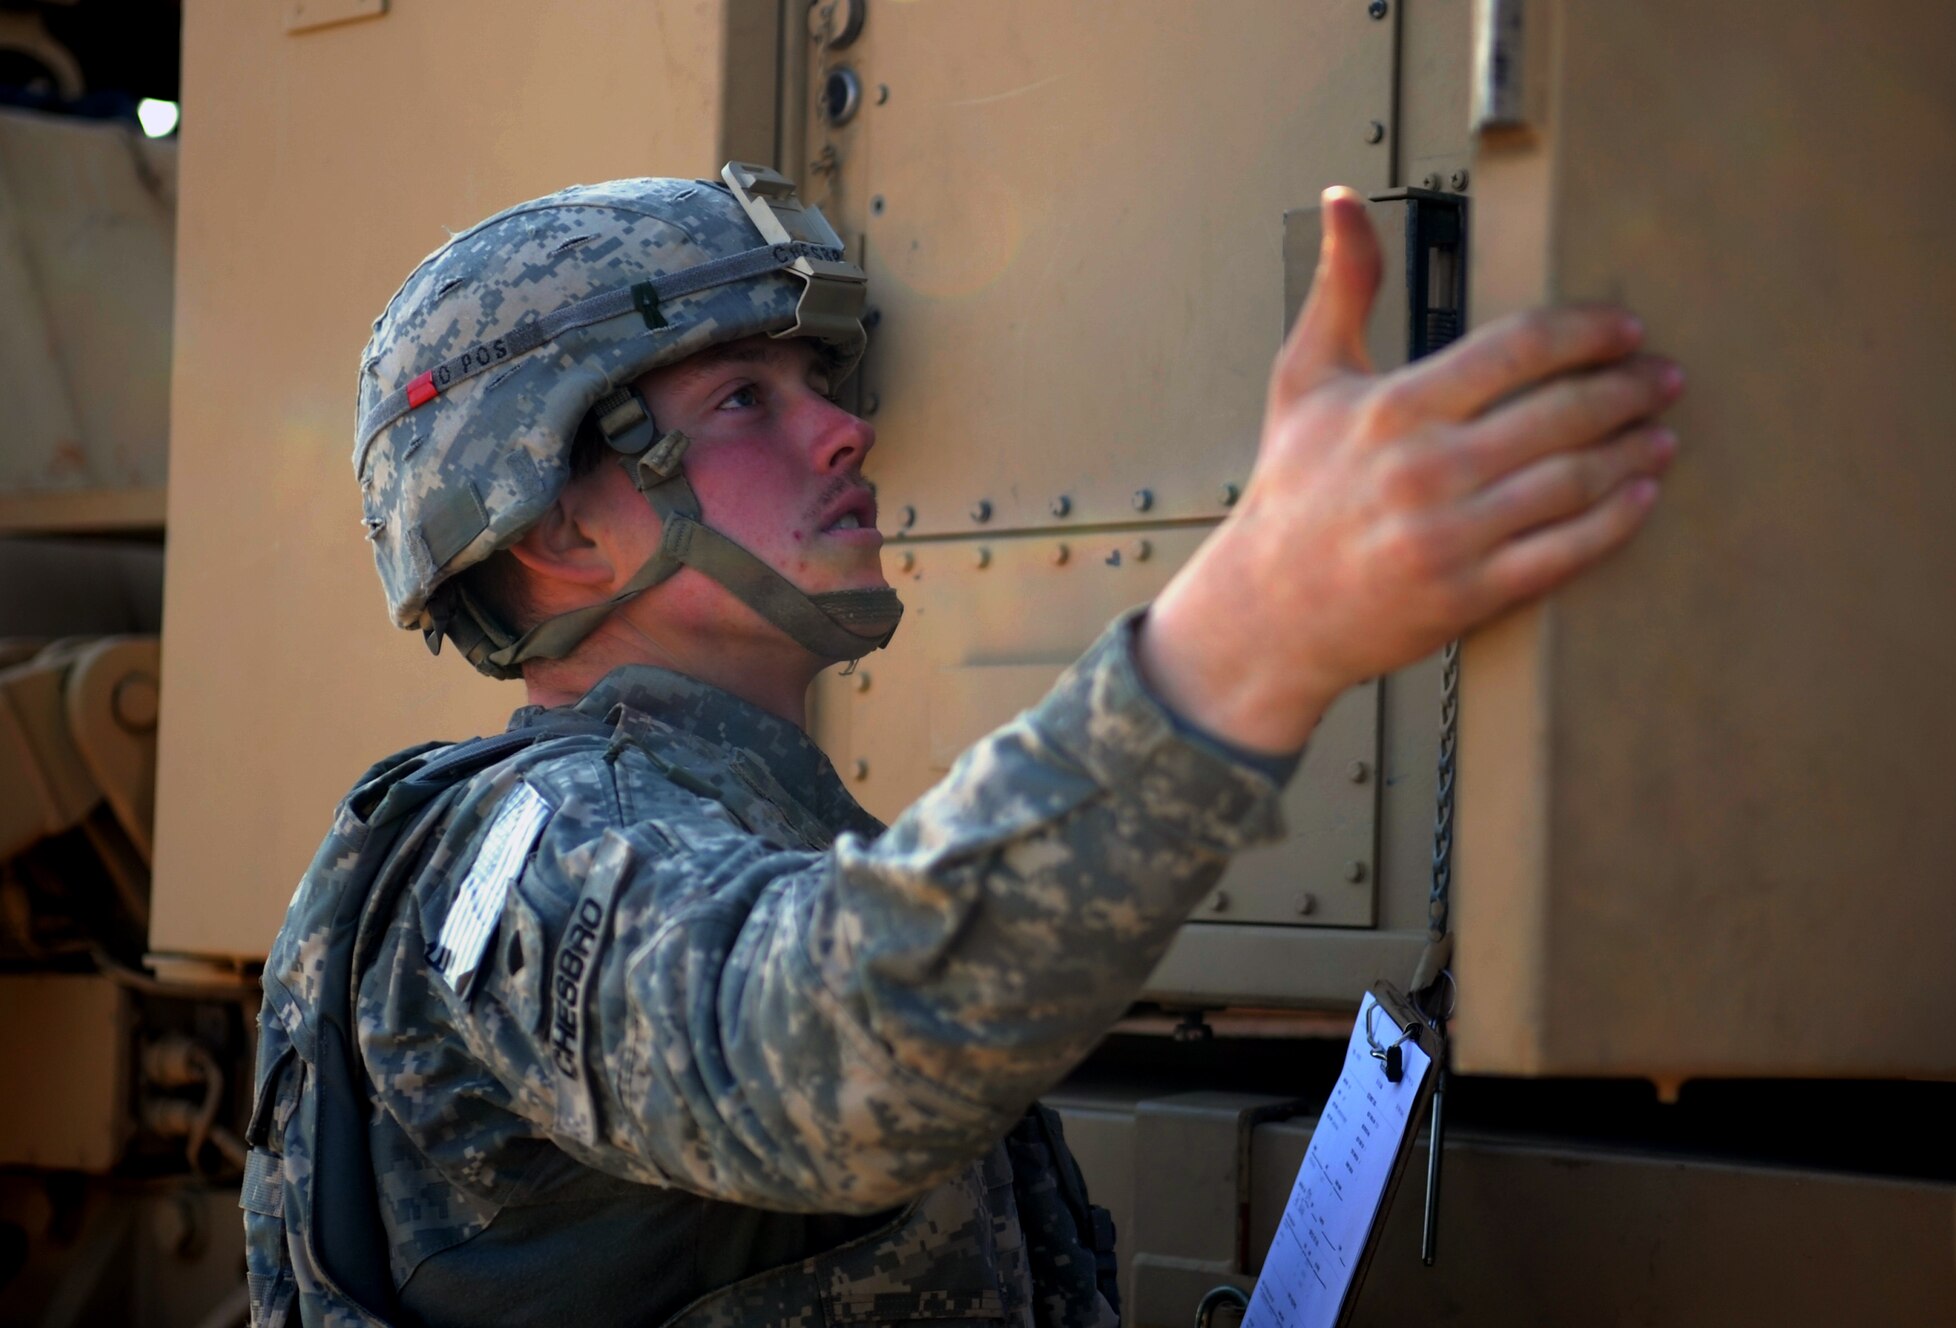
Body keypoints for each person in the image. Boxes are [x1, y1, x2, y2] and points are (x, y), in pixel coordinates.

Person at [240, 165, 1679, 1328]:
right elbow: (819, 1058)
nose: (846, 430)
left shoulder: (741, 827)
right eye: (746, 399)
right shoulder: (530, 854)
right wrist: (1257, 624)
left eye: (823, 382)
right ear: (558, 524)